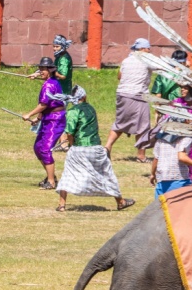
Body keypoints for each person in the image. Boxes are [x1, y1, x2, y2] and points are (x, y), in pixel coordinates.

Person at [54, 86, 134, 212]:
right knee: (106, 174)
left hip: (79, 149)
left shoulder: (72, 111)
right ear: (84, 97)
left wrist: (70, 145)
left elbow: (69, 132)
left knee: (68, 174)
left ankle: (62, 205)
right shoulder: (91, 109)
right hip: (96, 148)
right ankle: (120, 202)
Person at [23, 57, 66, 190]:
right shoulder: (50, 81)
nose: (41, 71)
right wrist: (39, 118)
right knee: (38, 148)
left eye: (43, 69)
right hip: (48, 117)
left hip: (55, 119)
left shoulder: (50, 84)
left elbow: (43, 104)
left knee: (45, 149)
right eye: (40, 69)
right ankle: (50, 175)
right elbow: (48, 105)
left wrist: (29, 114)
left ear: (50, 70)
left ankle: (51, 182)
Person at [149, 123, 192, 198]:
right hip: (179, 179)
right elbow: (181, 157)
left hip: (162, 179)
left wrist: (153, 174)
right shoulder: (186, 138)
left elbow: (156, 159)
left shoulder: (160, 140)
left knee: (160, 207)